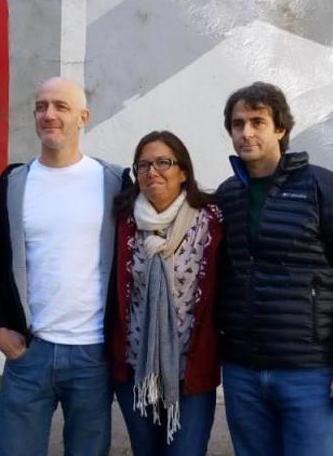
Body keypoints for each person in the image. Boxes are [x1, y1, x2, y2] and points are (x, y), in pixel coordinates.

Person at [215, 81, 333, 456]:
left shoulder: (326, 189)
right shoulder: (227, 195)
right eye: (237, 124)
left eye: (257, 121)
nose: (246, 132)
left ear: (280, 129)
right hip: (242, 371)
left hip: (310, 372)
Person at [0, 77, 130, 456]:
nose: (49, 114)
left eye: (61, 106)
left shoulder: (114, 182)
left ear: (83, 117)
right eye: (41, 106)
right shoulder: (13, 183)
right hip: (30, 351)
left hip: (92, 355)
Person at [108, 130, 223, 456]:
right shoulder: (122, 221)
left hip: (192, 370)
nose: (152, 172)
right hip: (135, 369)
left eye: (163, 162)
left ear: (183, 171)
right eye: (143, 165)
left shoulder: (213, 221)